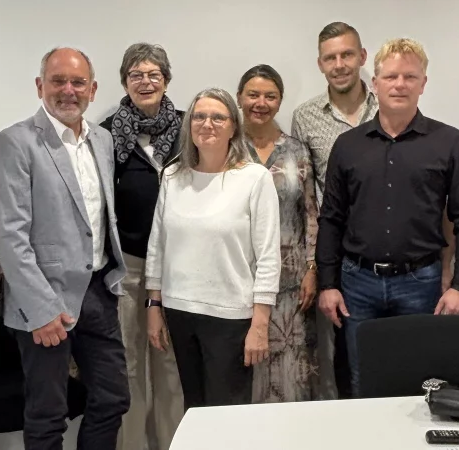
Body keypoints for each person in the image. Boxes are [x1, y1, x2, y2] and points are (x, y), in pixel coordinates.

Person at [316, 38, 459, 397]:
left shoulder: (450, 142)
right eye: (391, 76)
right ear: (374, 83)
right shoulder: (348, 146)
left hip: (421, 284)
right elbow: (330, 218)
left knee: (420, 381)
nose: (400, 84)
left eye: (410, 76)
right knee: (361, 380)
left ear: (423, 83)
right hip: (356, 284)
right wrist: (328, 283)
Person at [0, 47, 129, 450]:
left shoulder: (101, 139)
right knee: (48, 413)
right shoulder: (15, 143)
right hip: (45, 301)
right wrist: (41, 310)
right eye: (58, 81)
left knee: (113, 397)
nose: (69, 90)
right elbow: (10, 234)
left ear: (93, 89)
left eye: (78, 82)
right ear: (40, 86)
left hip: (99, 291)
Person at [144, 87, 281, 409]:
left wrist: (260, 324)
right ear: (189, 124)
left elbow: (268, 257)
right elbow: (157, 245)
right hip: (180, 312)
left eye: (218, 117)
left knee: (227, 412)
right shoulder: (173, 175)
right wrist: (153, 307)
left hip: (230, 316)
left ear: (234, 126)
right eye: (200, 116)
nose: (207, 123)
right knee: (194, 406)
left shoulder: (254, 179)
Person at [99, 42, 185, 450]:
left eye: (153, 74)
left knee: (172, 369)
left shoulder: (190, 129)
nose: (145, 81)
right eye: (136, 75)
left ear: (167, 79)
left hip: (180, 269)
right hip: (128, 268)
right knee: (130, 368)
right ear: (124, 82)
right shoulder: (104, 134)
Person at [290, 22, 378, 399]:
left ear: (362, 57)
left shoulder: (389, 104)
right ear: (320, 64)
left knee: (400, 353)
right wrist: (314, 266)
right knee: (343, 355)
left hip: (394, 249)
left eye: (346, 55)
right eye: (331, 57)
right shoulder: (305, 117)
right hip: (338, 253)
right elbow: (305, 197)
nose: (339, 64)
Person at [236, 64, 321, 403]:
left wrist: (312, 269)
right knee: (245, 369)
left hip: (292, 283)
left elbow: (311, 213)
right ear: (240, 97)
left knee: (293, 374)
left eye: (270, 96)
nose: (261, 102)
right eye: (253, 94)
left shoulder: (297, 151)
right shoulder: (227, 149)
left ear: (280, 101)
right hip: (241, 279)